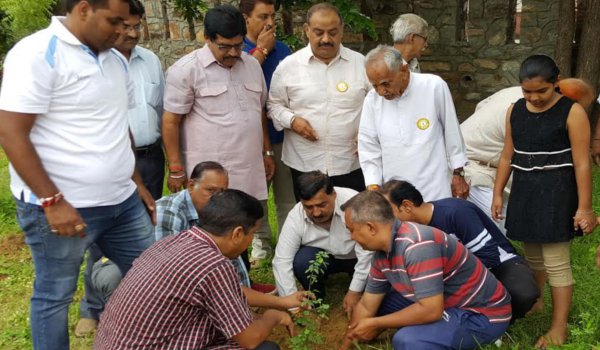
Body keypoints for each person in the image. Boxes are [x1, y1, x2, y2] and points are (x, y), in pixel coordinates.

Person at [0, 0, 157, 348]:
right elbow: (11, 132)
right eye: (114, 21)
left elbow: (119, 127)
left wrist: (137, 184)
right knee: (55, 295)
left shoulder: (114, 59)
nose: (123, 31)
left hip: (123, 203)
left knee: (152, 276)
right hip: (63, 208)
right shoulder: (37, 54)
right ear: (84, 9)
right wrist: (52, 200)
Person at [95, 190, 297, 349]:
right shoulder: (213, 265)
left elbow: (228, 292)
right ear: (237, 233)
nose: (251, 240)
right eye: (252, 233)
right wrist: (273, 316)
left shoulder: (176, 241)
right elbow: (250, 338)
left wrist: (279, 301)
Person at [75, 0, 166, 336]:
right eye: (124, 25)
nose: (131, 32)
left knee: (145, 233)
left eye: (136, 26)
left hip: (149, 158)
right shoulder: (97, 62)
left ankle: (137, 304)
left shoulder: (151, 61)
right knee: (99, 234)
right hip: (109, 165)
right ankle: (92, 308)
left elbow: (161, 110)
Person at [492, 54, 596, 348]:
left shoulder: (572, 111)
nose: (534, 97)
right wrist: (499, 192)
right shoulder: (514, 110)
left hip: (557, 194)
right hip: (525, 191)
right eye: (528, 91)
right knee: (533, 254)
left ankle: (558, 327)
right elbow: (506, 155)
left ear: (556, 83)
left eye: (542, 91)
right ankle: (536, 301)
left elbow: (582, 163)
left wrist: (585, 207)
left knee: (556, 263)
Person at [161, 6, 274, 265]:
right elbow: (170, 121)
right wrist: (176, 168)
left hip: (246, 168)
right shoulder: (186, 70)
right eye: (225, 46)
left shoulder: (252, 67)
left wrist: (266, 152)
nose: (234, 52)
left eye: (238, 45)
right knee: (211, 234)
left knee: (240, 230)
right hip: (211, 176)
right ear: (208, 38)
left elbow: (259, 112)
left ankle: (241, 288)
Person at [341, 191, 511, 350]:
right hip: (442, 301)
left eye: (351, 230)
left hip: (482, 314)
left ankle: (480, 336)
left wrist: (376, 324)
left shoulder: (417, 245)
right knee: (379, 306)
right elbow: (366, 304)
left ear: (371, 227)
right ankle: (438, 329)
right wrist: (347, 342)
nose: (351, 237)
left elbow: (431, 310)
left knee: (407, 341)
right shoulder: (380, 254)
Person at [381, 180, 538, 320]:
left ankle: (498, 319)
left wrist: (449, 278)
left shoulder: (455, 212)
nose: (386, 220)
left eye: (389, 212)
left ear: (407, 206)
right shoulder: (408, 231)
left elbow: (490, 256)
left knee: (522, 293)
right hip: (453, 275)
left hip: (498, 265)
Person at [461, 78, 596, 233]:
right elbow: (538, 165)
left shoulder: (515, 92)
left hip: (481, 164)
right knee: (501, 237)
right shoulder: (527, 113)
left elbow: (481, 107)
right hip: (471, 171)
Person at [268, 2, 371, 198]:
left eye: (333, 32)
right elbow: (273, 105)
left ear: (342, 30)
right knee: (311, 219)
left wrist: (368, 130)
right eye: (319, 32)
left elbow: (379, 104)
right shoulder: (288, 67)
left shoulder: (361, 64)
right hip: (305, 164)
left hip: (351, 163)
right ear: (306, 30)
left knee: (353, 220)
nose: (326, 39)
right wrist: (292, 121)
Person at [359, 45, 469, 201]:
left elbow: (452, 132)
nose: (381, 92)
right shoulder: (372, 100)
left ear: (403, 70)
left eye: (386, 84)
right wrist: (373, 186)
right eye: (375, 85)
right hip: (394, 192)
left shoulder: (433, 86)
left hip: (434, 187)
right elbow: (368, 147)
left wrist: (458, 173)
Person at [240, 0, 295, 266]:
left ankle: (288, 245)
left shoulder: (283, 50)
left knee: (287, 196)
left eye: (272, 16)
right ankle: (260, 246)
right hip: (251, 139)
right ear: (246, 18)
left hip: (283, 135)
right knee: (257, 196)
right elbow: (243, 82)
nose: (270, 22)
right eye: (263, 16)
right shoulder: (237, 49)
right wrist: (261, 50)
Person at [272, 171, 371, 317]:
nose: (316, 212)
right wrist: (294, 305)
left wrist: (354, 291)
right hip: (325, 258)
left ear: (334, 195)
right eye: (309, 207)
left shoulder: (355, 204)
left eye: (321, 205)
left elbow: (368, 252)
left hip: (359, 256)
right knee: (303, 261)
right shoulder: (296, 215)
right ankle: (315, 300)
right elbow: (281, 261)